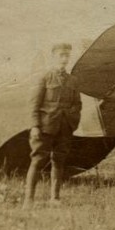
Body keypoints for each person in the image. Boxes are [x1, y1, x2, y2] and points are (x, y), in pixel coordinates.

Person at [24, 42, 82, 205]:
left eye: (67, 56)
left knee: (59, 160)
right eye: (61, 56)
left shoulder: (73, 80)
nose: (64, 59)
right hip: (45, 126)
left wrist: (72, 122)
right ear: (53, 57)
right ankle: (28, 200)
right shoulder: (44, 77)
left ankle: (55, 198)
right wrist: (35, 126)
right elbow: (33, 104)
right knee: (38, 160)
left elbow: (77, 104)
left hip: (65, 127)